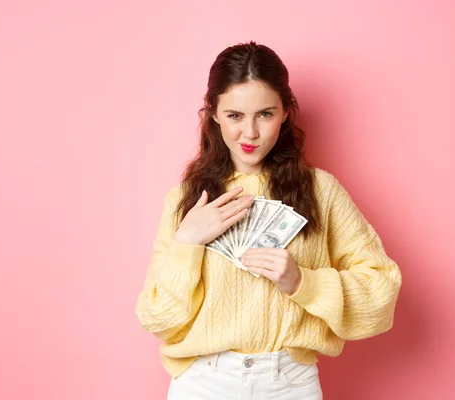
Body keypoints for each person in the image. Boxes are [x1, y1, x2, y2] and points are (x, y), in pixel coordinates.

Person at [135, 41, 403, 400]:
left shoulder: (321, 192)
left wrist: (303, 283)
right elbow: (158, 319)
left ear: (286, 113)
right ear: (213, 113)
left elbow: (381, 293)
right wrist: (187, 244)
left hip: (289, 384)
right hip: (203, 384)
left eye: (265, 114)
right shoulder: (185, 201)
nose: (250, 133)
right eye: (234, 116)